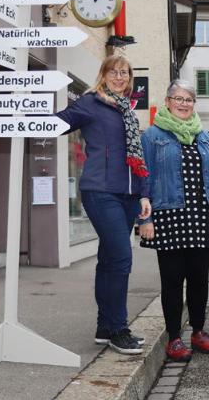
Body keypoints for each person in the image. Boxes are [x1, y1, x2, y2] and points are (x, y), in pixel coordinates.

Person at [55, 55, 151, 355]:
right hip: (101, 191)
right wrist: (25, 115)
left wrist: (144, 195)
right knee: (122, 258)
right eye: (114, 72)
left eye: (125, 72)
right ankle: (119, 329)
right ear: (103, 74)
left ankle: (105, 326)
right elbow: (60, 122)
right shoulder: (90, 103)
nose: (119, 77)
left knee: (109, 260)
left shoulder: (127, 110)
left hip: (128, 195)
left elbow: (138, 158)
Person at [139, 80, 209, 362]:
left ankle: (198, 331)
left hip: (201, 217)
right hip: (168, 216)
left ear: (194, 104)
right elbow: (143, 176)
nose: (183, 103)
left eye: (188, 99)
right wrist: (145, 218)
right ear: (167, 102)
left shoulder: (203, 137)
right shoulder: (153, 135)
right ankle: (174, 337)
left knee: (199, 280)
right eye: (177, 98)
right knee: (171, 281)